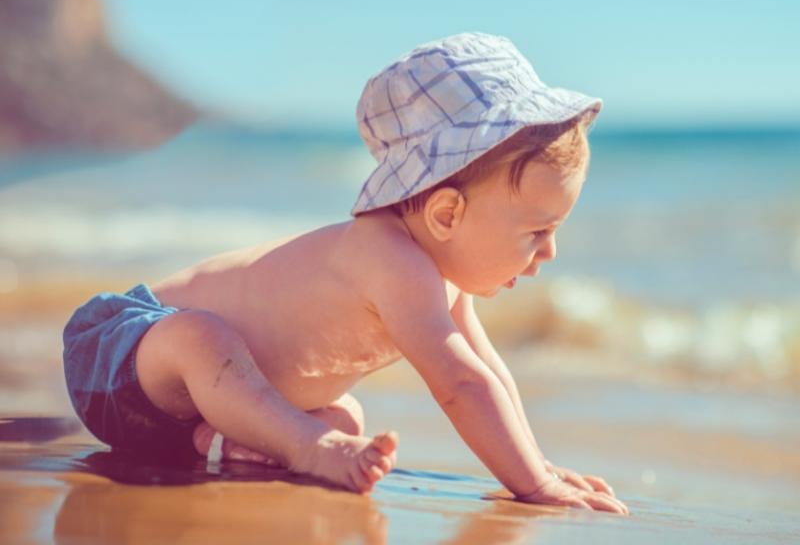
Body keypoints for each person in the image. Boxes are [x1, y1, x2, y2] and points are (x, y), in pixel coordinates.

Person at [62, 32, 628, 514]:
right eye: (537, 231)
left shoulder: (443, 280)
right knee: (202, 337)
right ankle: (304, 446)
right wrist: (533, 486)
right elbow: (460, 386)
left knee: (344, 418)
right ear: (446, 214)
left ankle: (218, 444)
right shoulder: (389, 258)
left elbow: (488, 374)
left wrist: (536, 463)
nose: (549, 252)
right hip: (126, 355)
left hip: (183, 419)